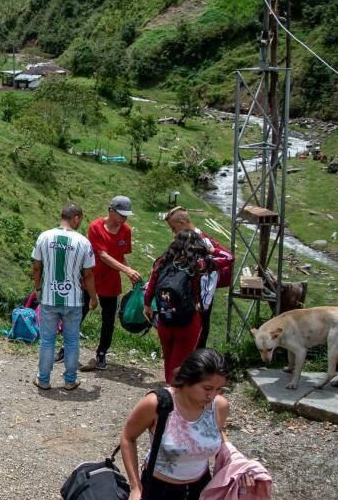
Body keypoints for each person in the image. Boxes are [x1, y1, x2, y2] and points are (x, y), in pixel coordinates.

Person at [119, 349, 236, 500]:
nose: (212, 395)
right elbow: (128, 437)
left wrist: (237, 460)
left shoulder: (219, 406)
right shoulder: (158, 404)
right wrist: (135, 487)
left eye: (219, 389)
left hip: (202, 487)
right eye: (207, 388)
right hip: (159, 489)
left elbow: (217, 432)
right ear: (187, 380)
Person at [31, 203, 97, 391]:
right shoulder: (83, 242)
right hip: (74, 300)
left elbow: (36, 267)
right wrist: (93, 297)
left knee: (47, 340)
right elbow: (88, 275)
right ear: (76, 218)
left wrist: (37, 288)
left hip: (49, 298)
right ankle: (70, 380)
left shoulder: (44, 237)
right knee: (71, 340)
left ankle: (43, 379)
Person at [81, 195, 143, 371]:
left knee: (108, 320)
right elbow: (102, 254)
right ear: (111, 211)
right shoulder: (95, 227)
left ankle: (101, 354)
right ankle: (67, 348)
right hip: (91, 277)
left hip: (111, 281)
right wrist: (126, 270)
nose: (124, 219)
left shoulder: (126, 231)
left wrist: (130, 272)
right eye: (121, 214)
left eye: (126, 216)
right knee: (80, 313)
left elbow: (121, 255)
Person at [145, 230, 213, 384]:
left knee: (169, 358)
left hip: (165, 316)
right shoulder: (198, 265)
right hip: (188, 320)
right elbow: (198, 292)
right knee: (181, 362)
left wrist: (147, 305)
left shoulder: (161, 262)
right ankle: (175, 394)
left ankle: (170, 385)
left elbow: (151, 286)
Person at [165, 206, 229, 349]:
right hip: (187, 292)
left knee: (200, 326)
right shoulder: (184, 239)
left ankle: (197, 358)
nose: (173, 232)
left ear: (182, 222)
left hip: (201, 296)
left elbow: (227, 258)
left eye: (173, 228)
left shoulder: (203, 241)